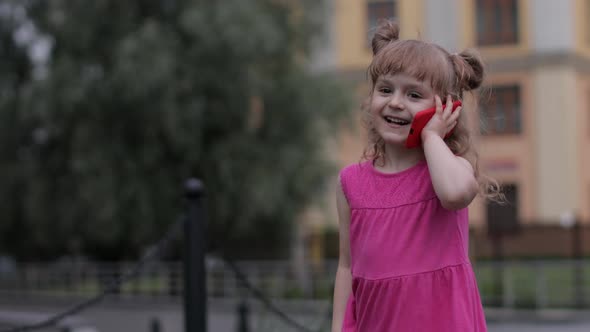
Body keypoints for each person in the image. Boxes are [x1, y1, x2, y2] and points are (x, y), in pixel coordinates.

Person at [331, 20, 502, 332]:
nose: (395, 102)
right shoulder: (350, 182)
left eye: (413, 95)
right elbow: (346, 266)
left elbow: (454, 195)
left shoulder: (451, 169)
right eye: (385, 89)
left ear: (445, 107)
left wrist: (432, 137)